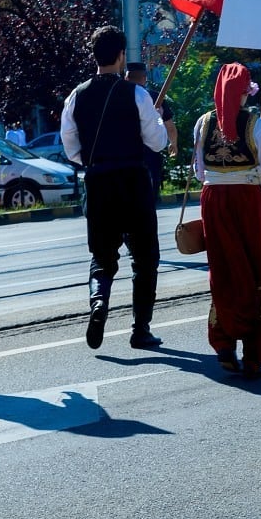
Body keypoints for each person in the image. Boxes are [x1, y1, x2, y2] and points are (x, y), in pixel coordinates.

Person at [61, 26, 168, 351]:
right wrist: (158, 120)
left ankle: (98, 302)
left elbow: (70, 147)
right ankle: (140, 329)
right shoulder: (137, 94)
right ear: (121, 56)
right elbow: (157, 141)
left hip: (98, 182)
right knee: (145, 258)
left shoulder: (75, 96)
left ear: (94, 56)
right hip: (133, 181)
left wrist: (95, 159)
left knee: (102, 258)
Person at [193, 63, 261, 378]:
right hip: (248, 202)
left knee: (224, 270)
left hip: (214, 202)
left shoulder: (203, 123)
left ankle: (224, 343)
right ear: (244, 92)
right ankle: (254, 355)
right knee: (260, 269)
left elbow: (198, 172)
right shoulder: (256, 124)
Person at [125, 62, 178, 201]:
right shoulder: (154, 97)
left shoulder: (117, 97)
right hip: (150, 152)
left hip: (125, 154)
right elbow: (170, 126)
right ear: (144, 78)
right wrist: (173, 143)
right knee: (150, 196)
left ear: (126, 78)